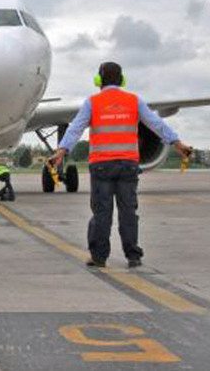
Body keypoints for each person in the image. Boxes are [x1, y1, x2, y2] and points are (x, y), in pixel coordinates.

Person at [48, 62, 191, 268]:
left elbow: (75, 129)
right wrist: (177, 143)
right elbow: (156, 124)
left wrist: (61, 151)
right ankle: (133, 256)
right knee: (128, 212)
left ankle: (99, 257)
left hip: (101, 166)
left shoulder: (93, 102)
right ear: (122, 80)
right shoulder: (134, 101)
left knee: (102, 212)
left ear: (98, 80)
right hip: (127, 165)